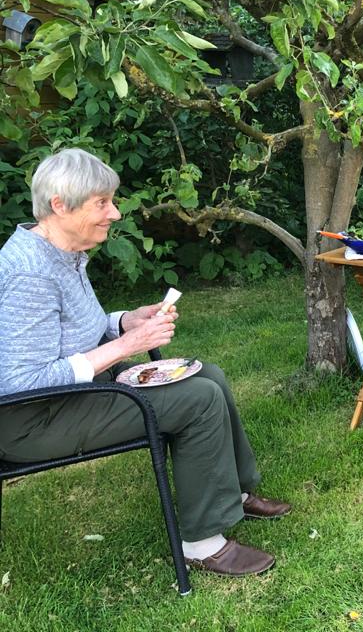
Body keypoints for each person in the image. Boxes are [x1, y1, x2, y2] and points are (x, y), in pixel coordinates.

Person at [0, 149, 291, 577]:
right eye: (102, 203)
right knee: (198, 399)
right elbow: (21, 382)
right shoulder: (30, 272)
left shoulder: (62, 252)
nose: (115, 213)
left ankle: (233, 494)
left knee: (208, 374)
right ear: (60, 205)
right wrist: (126, 346)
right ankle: (201, 543)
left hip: (71, 394)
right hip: (35, 420)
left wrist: (124, 321)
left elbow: (67, 330)